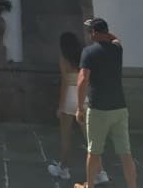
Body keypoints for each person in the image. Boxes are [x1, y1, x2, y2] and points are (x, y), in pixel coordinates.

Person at [74, 18, 137, 188]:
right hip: (119, 107)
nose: (88, 35)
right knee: (125, 153)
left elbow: (82, 80)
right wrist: (104, 31)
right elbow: (116, 39)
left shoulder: (88, 52)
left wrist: (79, 107)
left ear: (94, 33)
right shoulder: (117, 49)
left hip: (98, 109)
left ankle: (89, 186)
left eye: (90, 31)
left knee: (93, 152)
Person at [47, 32, 109, 183]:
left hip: (69, 97)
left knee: (65, 136)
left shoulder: (64, 59)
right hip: (82, 97)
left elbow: (64, 84)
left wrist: (61, 106)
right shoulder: (83, 56)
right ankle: (100, 172)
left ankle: (63, 168)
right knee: (89, 138)